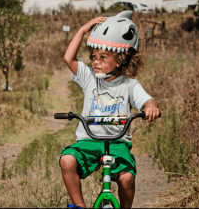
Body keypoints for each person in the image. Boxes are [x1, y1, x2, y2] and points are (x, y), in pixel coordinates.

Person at [60, 11, 160, 208]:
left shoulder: (130, 85)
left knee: (127, 179)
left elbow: (147, 101)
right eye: (93, 56)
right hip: (89, 141)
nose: (95, 62)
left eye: (103, 57)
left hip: (118, 143)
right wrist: (82, 31)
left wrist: (151, 107)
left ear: (121, 59)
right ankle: (79, 206)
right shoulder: (89, 79)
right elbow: (68, 58)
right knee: (67, 160)